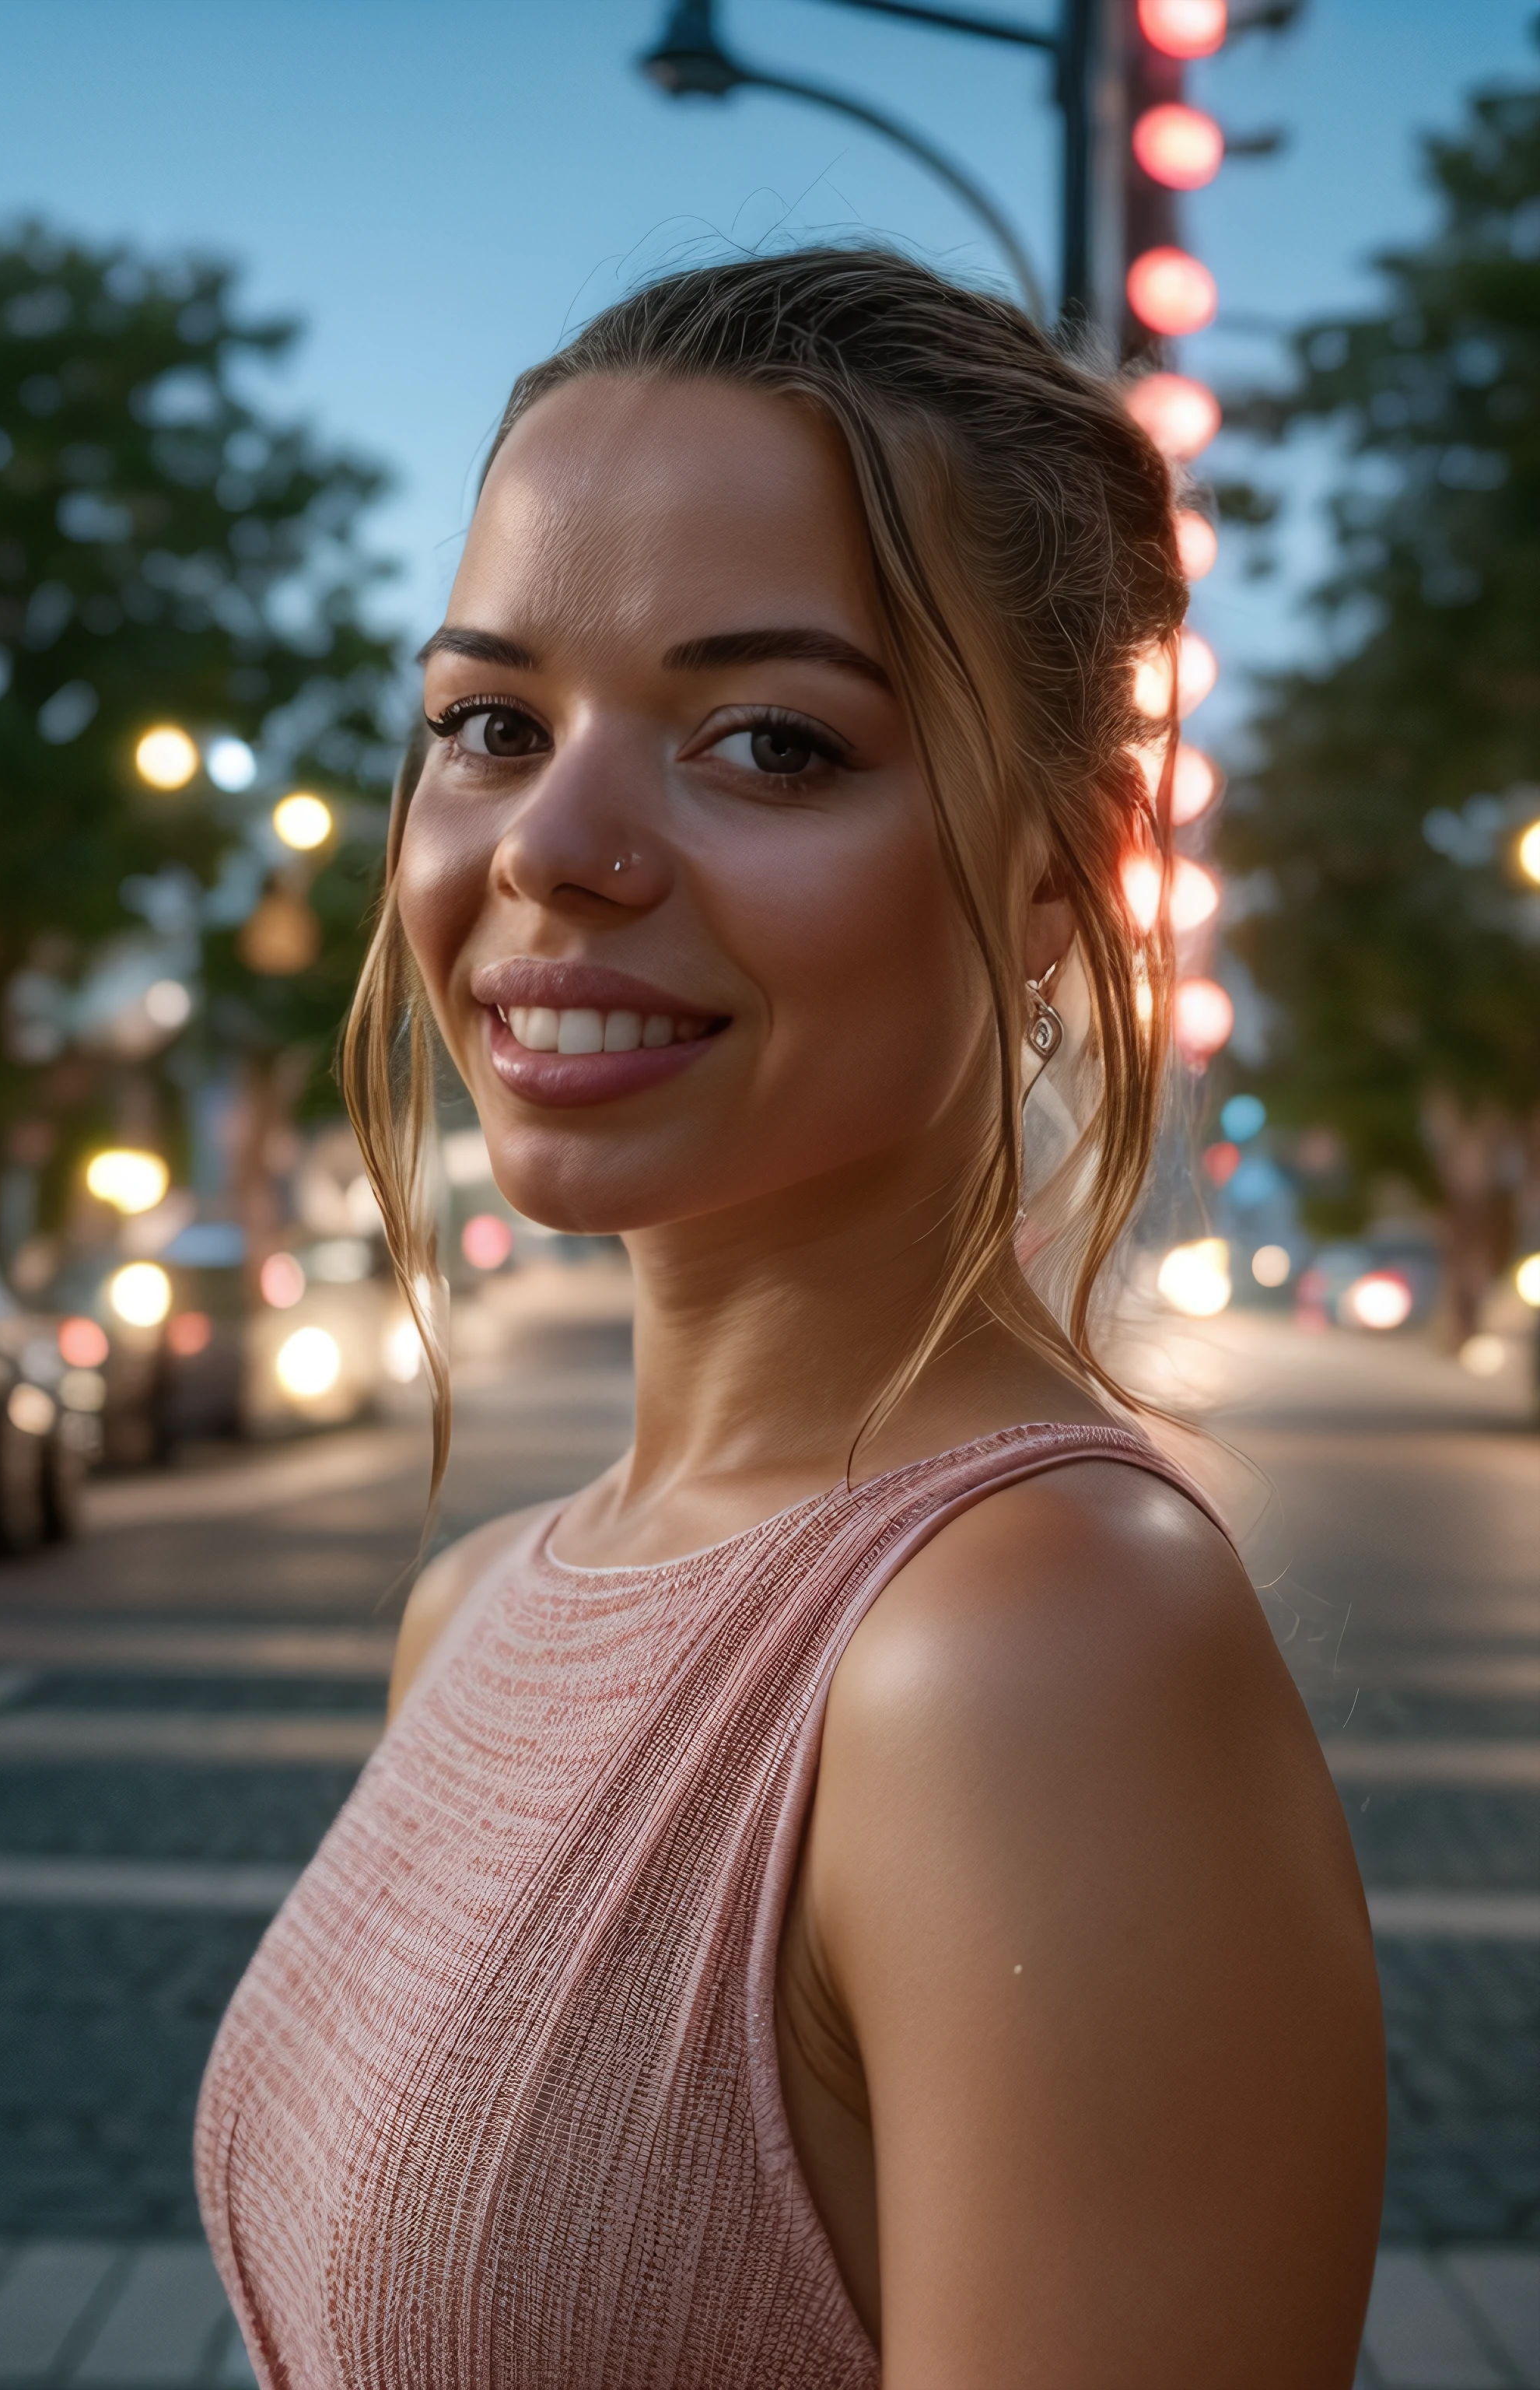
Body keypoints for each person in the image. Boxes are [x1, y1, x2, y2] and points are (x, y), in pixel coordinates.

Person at [197, 249, 1386, 2388]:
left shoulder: (1031, 1646)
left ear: (1063, 875)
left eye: (768, 740)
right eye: (490, 722)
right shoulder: (474, 1607)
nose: (555, 848)